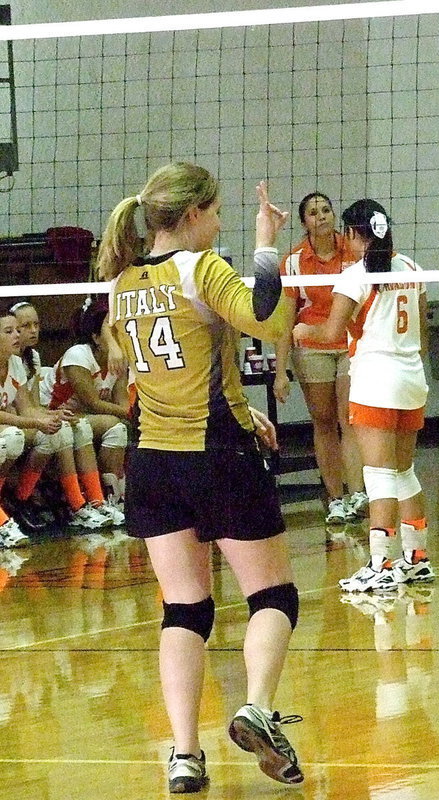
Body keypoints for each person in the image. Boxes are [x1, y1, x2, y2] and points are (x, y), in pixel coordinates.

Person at [98, 162, 304, 793]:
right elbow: (269, 322)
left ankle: (184, 754)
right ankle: (257, 710)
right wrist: (266, 246)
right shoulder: (202, 265)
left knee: (184, 608)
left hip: (153, 462)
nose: (218, 224)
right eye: (216, 213)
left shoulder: (121, 285)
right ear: (191, 216)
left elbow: (151, 373)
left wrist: (243, 413)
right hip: (217, 455)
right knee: (273, 597)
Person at [293, 199, 434, 592]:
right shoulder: (410, 268)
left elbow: (330, 334)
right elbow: (420, 332)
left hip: (375, 380)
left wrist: (302, 332)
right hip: (411, 378)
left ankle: (380, 563)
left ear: (354, 235)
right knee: (403, 472)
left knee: (378, 476)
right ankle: (417, 557)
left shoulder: (356, 276)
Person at [274, 192, 368, 524]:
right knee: (324, 421)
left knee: (349, 418)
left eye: (327, 210)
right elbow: (285, 320)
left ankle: (357, 493)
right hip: (312, 345)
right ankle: (335, 498)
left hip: (347, 341)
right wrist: (280, 371)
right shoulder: (293, 261)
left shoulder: (354, 252)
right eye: (314, 213)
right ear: (305, 222)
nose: (322, 216)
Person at [11, 300, 112, 531]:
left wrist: (52, 415)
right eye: (24, 326)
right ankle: (24, 500)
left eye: (36, 324)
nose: (32, 330)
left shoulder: (31, 358)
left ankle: (92, 502)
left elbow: (31, 405)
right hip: (14, 424)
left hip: (25, 419)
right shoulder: (11, 361)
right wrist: (45, 417)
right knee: (26, 438)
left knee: (68, 426)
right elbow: (21, 411)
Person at [40, 301, 128, 526]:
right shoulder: (78, 355)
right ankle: (87, 502)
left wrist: (132, 413)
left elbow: (121, 404)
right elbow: (94, 403)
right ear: (96, 337)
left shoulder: (118, 360)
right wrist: (134, 413)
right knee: (106, 425)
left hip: (78, 416)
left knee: (118, 428)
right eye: (112, 334)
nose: (119, 340)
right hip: (50, 411)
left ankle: (113, 497)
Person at [0, 305, 72, 547]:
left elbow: (26, 407)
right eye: (9, 331)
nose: (17, 335)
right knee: (11, 438)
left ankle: (20, 500)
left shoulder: (16, 364)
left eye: (15, 330)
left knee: (52, 434)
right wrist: (35, 421)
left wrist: (49, 417)